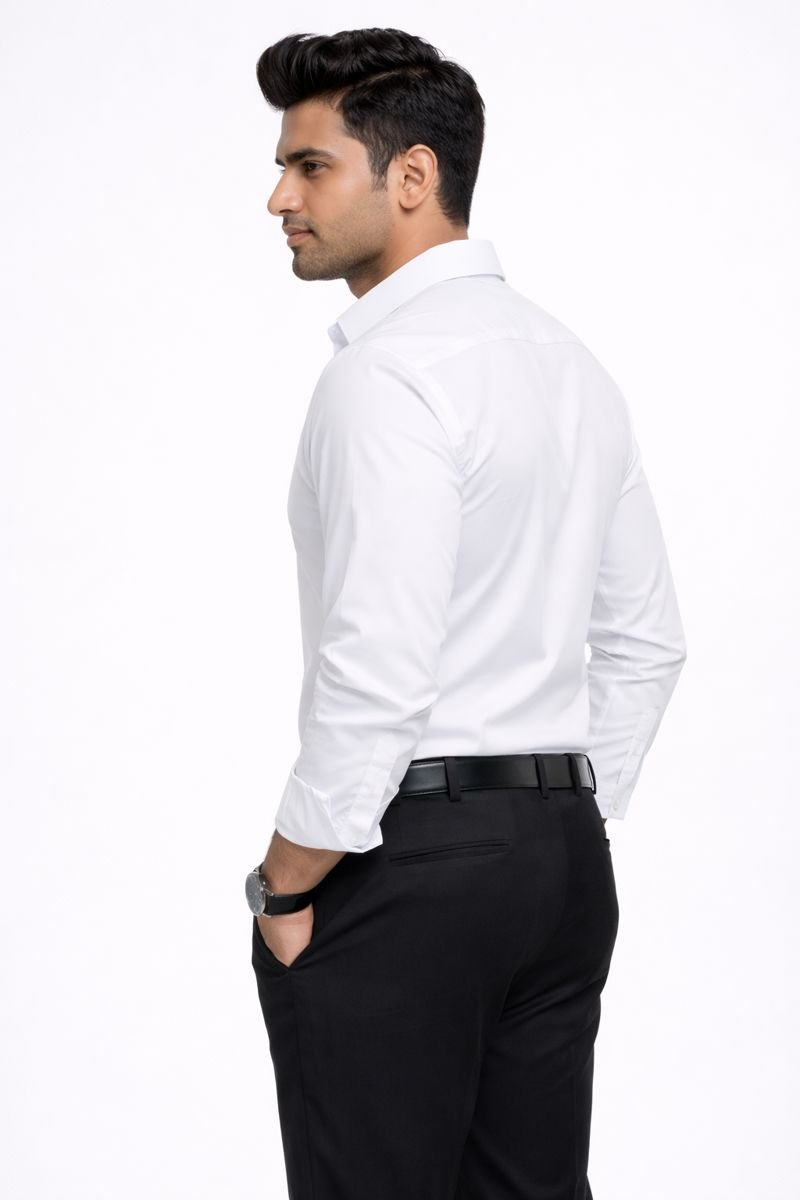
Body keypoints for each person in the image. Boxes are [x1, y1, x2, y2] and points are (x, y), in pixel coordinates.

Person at [245, 26, 687, 1200]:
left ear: (411, 176)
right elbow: (646, 641)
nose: (277, 198)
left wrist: (286, 881)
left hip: (409, 863)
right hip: (559, 865)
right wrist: (554, 815)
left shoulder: (384, 375)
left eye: (309, 166)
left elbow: (378, 670)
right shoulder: (569, 365)